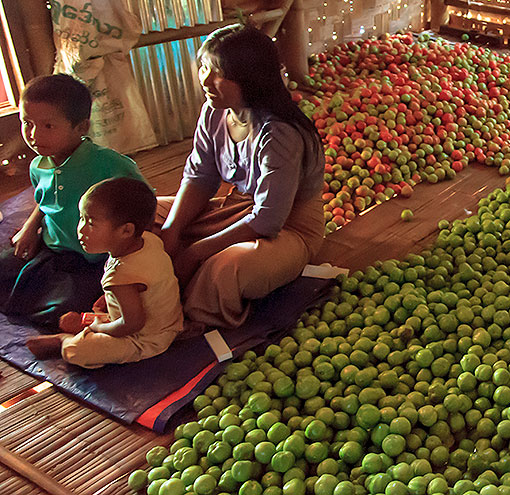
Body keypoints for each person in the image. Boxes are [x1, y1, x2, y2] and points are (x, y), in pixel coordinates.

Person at [157, 25, 324, 328]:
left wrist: (195, 251)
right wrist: (171, 229)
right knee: (147, 214)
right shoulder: (215, 112)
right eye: (204, 67)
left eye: (218, 73)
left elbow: (267, 220)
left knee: (226, 267)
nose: (206, 80)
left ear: (250, 79)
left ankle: (186, 316)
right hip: (235, 210)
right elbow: (200, 178)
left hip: (287, 229)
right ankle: (160, 288)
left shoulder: (279, 134)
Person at [0, 74, 147, 329]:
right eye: (27, 123)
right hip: (53, 249)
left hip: (92, 260)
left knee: (59, 309)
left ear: (81, 128)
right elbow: (45, 202)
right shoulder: (39, 165)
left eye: (48, 126)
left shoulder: (109, 165)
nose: (33, 135)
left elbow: (143, 201)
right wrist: (30, 229)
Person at [26, 178, 183, 368]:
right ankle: (87, 328)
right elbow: (144, 289)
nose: (81, 229)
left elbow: (132, 325)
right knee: (97, 311)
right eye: (82, 218)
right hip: (169, 321)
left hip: (145, 339)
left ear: (126, 230)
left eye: (91, 223)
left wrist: (97, 327)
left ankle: (65, 340)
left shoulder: (121, 276)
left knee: (78, 351)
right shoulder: (148, 240)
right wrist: (112, 299)